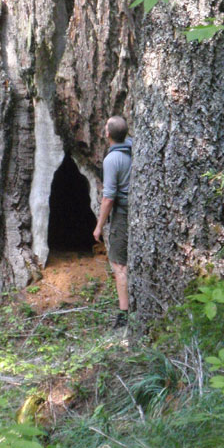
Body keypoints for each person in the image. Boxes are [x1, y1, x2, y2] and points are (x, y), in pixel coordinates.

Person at [93, 115, 132, 328]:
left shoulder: (112, 160)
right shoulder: (134, 148)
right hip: (137, 210)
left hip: (123, 213)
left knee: (119, 264)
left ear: (107, 134)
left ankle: (124, 314)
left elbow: (108, 198)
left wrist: (99, 227)